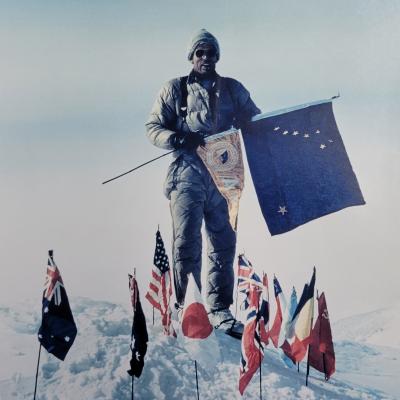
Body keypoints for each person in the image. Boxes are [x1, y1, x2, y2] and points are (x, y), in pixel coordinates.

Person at [146, 29, 260, 333]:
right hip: (187, 173)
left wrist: (247, 121)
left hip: (224, 175)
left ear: (217, 56)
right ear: (192, 56)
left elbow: (255, 120)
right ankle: (188, 306)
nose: (206, 58)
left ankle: (220, 309)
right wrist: (179, 137)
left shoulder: (234, 89)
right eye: (200, 52)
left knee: (223, 242)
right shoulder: (174, 89)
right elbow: (153, 127)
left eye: (211, 52)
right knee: (186, 240)